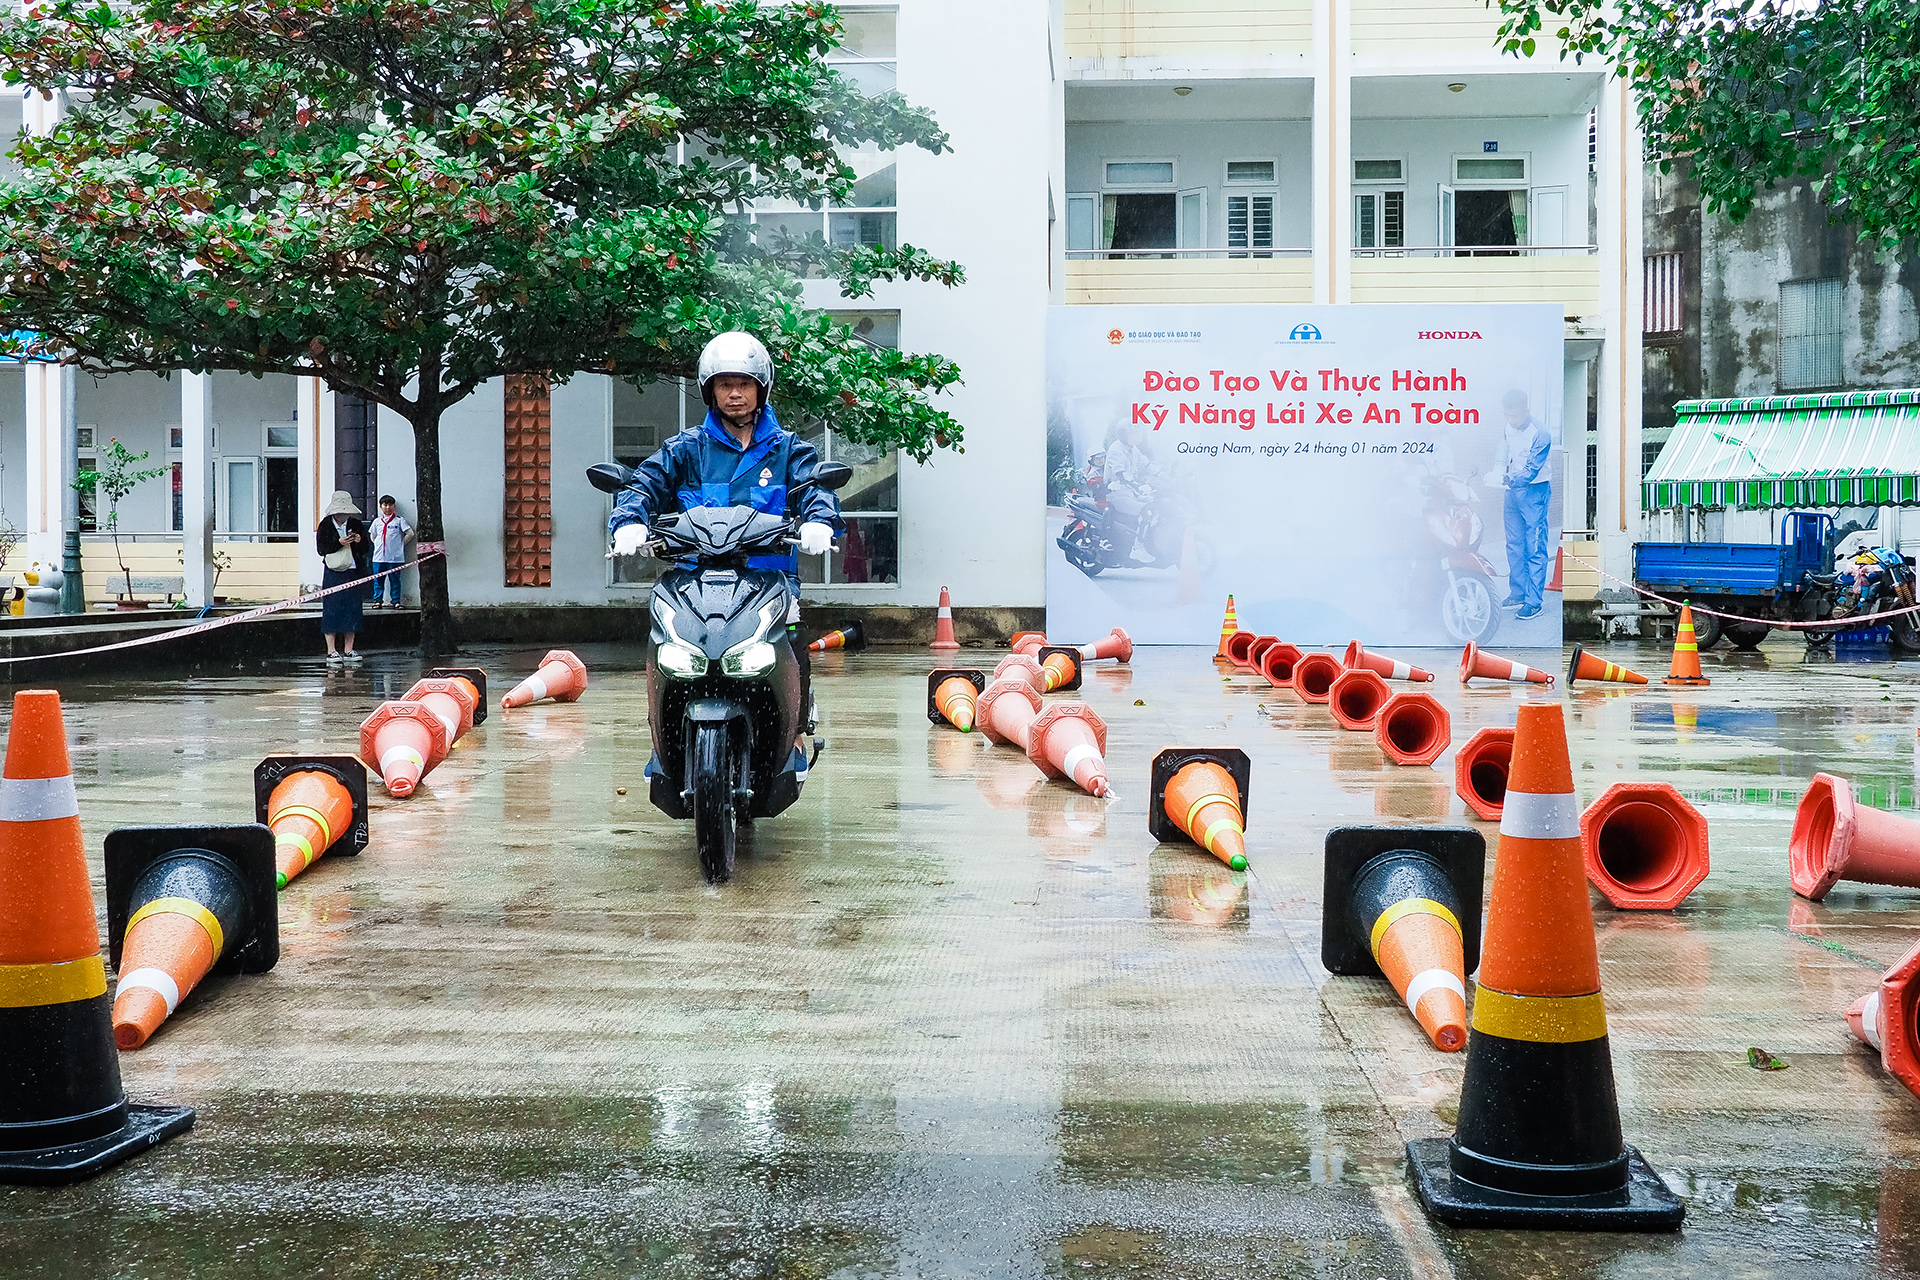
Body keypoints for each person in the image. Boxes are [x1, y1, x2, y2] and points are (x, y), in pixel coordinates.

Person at [608, 332, 842, 762]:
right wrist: (628, 523)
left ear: (761, 388)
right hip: (696, 580)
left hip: (768, 579)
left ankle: (794, 730)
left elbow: (816, 490)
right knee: (666, 641)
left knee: (792, 635)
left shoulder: (788, 449)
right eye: (724, 385)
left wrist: (819, 522)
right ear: (710, 391)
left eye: (744, 384)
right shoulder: (686, 449)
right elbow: (644, 485)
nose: (734, 394)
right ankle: (666, 734)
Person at [1494, 388, 1552, 621]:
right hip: (1512, 492)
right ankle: (1518, 593)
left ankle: (1533, 601)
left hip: (1534, 491)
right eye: (1508, 415)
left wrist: (1509, 478)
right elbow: (1504, 452)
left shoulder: (1541, 433)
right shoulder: (1508, 427)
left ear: (1527, 411)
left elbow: (1531, 469)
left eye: (1516, 416)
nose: (1512, 421)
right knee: (1514, 544)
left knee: (1535, 546)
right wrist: (1497, 471)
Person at [316, 491, 371, 661]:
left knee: (352, 610)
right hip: (333, 572)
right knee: (331, 609)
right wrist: (338, 543)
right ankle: (331, 650)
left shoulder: (356, 524)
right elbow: (321, 549)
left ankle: (349, 649)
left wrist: (359, 540)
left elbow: (366, 548)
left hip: (353, 572)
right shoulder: (325, 525)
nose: (343, 515)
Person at [1102, 422, 1157, 561]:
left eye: (1138, 433)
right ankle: (1137, 548)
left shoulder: (1133, 450)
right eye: (1133, 434)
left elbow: (1147, 465)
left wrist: (1166, 478)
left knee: (1156, 503)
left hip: (1130, 492)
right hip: (1116, 494)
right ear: (1123, 435)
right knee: (1146, 511)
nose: (1137, 437)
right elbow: (1121, 475)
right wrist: (1138, 486)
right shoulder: (1116, 450)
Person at [368, 495, 412, 609]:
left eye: (390, 505)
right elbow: (373, 536)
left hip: (395, 557)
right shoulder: (377, 522)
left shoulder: (399, 520)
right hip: (378, 557)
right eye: (385, 505)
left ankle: (396, 601)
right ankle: (378, 601)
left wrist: (401, 545)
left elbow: (410, 533)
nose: (388, 507)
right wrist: (378, 545)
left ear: (394, 506)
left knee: (395, 580)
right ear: (380, 507)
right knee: (378, 580)